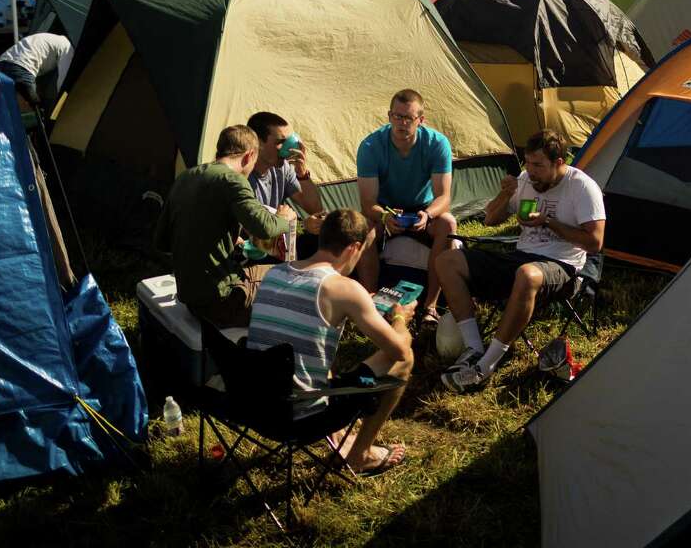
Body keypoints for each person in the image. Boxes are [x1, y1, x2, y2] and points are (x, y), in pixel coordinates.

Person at [436, 130, 605, 393]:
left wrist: (547, 222)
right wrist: (505, 195)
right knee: (448, 260)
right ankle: (474, 348)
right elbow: (490, 220)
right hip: (521, 257)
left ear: (559, 162)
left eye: (538, 165)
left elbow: (595, 242)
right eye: (528, 162)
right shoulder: (526, 180)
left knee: (527, 275)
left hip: (562, 265)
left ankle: (487, 364)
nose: (531, 170)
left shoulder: (581, 186)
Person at [248, 209, 414, 475]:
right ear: (355, 248)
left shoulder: (274, 273)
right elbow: (398, 348)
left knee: (314, 342)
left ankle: (337, 434)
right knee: (405, 359)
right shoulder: (344, 288)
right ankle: (361, 454)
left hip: (251, 403)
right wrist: (399, 318)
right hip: (297, 418)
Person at [154, 125, 293, 328]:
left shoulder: (187, 176)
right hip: (223, 302)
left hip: (191, 298)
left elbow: (162, 241)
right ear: (249, 155)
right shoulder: (232, 180)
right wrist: (283, 218)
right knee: (294, 277)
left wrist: (222, 238)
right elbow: (265, 228)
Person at [355, 90, 458, 321]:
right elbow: (367, 202)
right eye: (397, 116)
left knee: (448, 224)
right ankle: (370, 304)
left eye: (408, 118)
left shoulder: (437, 144)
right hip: (385, 211)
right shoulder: (371, 146)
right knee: (364, 228)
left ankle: (430, 306)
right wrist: (384, 217)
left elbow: (444, 197)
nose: (401, 123)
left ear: (420, 120)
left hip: (423, 209)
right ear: (389, 115)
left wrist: (428, 215)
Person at [246, 111, 327, 253]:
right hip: (252, 247)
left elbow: (315, 209)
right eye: (280, 142)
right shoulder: (243, 176)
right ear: (258, 143)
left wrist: (302, 173)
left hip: (278, 235)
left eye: (289, 141)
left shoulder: (282, 167)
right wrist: (301, 227)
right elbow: (260, 237)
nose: (287, 149)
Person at [0, 33, 73, 111]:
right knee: (36, 109)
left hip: (1, 64)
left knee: (9, 108)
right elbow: (63, 82)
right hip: (21, 67)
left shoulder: (54, 39)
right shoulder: (68, 47)